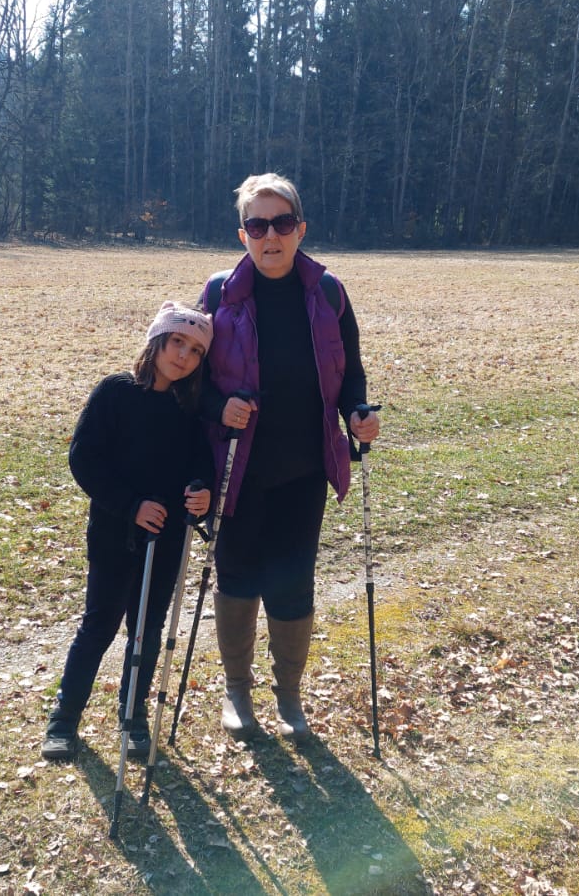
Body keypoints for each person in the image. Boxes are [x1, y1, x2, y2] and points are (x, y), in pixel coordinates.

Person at [199, 172, 380, 742]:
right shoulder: (219, 295)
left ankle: (288, 697)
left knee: (292, 582)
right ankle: (236, 691)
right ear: (242, 235)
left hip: (303, 468)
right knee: (236, 577)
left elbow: (350, 371)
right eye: (257, 225)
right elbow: (191, 383)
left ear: (300, 229)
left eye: (281, 223)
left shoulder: (328, 293)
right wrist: (220, 406)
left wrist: (357, 412)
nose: (270, 236)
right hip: (237, 468)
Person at [42, 302, 216, 761]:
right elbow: (84, 459)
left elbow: (201, 464)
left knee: (148, 627)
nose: (184, 355)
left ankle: (132, 714)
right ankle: (64, 718)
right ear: (157, 340)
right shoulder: (115, 392)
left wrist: (203, 494)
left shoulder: (188, 407)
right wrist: (131, 505)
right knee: (100, 624)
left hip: (168, 538)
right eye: (177, 342)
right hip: (114, 534)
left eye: (196, 350)